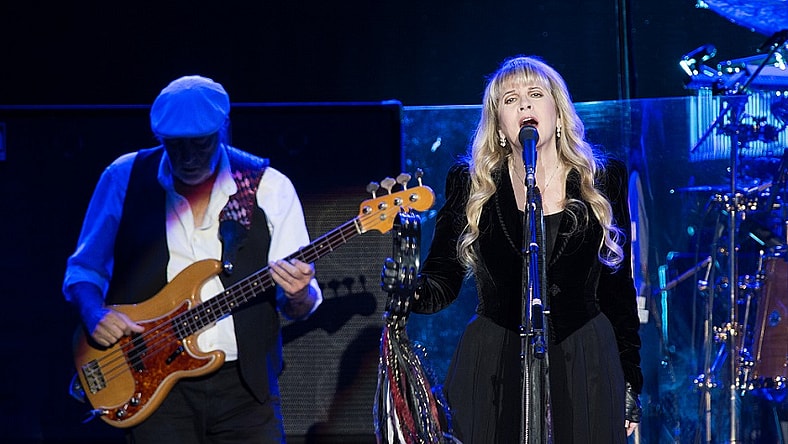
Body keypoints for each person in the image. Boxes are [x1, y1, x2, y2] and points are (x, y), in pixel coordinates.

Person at [63, 75, 322, 444]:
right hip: (150, 380)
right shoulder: (123, 177)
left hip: (245, 389)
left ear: (223, 129)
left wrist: (298, 294)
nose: (187, 158)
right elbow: (83, 269)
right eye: (175, 145)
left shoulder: (269, 188)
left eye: (200, 144)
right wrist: (94, 313)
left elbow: (299, 305)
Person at [408, 56, 643, 442]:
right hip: (494, 359)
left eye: (535, 94)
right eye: (510, 99)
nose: (524, 105)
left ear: (558, 112)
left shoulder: (602, 179)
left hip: (585, 357)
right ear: (499, 124)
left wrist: (630, 379)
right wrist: (407, 288)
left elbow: (618, 290)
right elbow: (441, 280)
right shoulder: (471, 183)